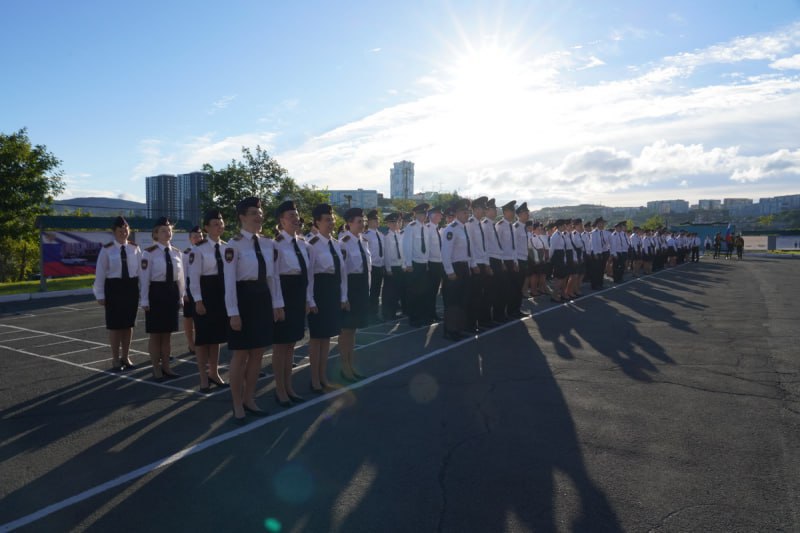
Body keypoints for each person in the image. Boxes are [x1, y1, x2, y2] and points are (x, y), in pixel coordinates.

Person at [224, 197, 285, 423]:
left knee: (258, 353)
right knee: (241, 354)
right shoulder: (233, 245)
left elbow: (273, 277)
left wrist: (277, 304)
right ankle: (237, 403)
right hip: (243, 299)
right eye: (253, 213)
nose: (258, 217)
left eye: (260, 213)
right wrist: (233, 312)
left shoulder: (269, 244)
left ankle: (250, 399)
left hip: (262, 300)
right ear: (242, 217)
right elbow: (229, 282)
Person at [272, 200, 311, 407]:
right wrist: (277, 305)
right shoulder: (276, 244)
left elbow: (307, 275)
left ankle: (289, 386)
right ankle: (279, 389)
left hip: (297, 295)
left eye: (297, 215)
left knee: (291, 345)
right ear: (281, 221)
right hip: (283, 296)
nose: (296, 219)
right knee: (281, 346)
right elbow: (275, 277)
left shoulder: (303, 244)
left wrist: (306, 299)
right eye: (291, 216)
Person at [306, 204, 347, 393]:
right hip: (319, 293)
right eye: (327, 220)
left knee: (326, 338)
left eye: (332, 219)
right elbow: (309, 276)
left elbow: (343, 272)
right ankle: (315, 379)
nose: (331, 223)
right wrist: (310, 300)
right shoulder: (312, 245)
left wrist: (343, 296)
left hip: (332, 292)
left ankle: (323, 377)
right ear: (317, 222)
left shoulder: (337, 244)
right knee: (316, 339)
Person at [189, 210, 230, 392]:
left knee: (216, 338)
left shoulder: (227, 247)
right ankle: (203, 378)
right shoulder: (199, 249)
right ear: (206, 228)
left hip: (221, 295)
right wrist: (198, 301)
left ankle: (214, 373)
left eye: (221, 222)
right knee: (203, 339)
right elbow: (194, 278)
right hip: (205, 294)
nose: (219, 225)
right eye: (215, 223)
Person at [139, 217, 185, 381]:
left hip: (171, 292)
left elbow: (180, 278)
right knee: (156, 334)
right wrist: (144, 300)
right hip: (156, 293)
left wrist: (181, 296)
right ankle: (156, 368)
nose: (168, 233)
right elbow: (144, 279)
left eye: (169, 230)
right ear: (156, 234)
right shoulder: (148, 253)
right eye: (163, 230)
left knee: (167, 334)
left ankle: (167, 366)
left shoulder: (177, 252)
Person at [93, 216, 140, 371]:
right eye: (120, 230)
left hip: (131, 288)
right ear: (114, 232)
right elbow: (100, 273)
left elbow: (141, 271)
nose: (123, 232)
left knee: (128, 325)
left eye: (126, 229)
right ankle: (115, 359)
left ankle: (126, 357)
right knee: (115, 326)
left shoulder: (135, 248)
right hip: (113, 288)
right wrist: (100, 294)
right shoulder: (107, 250)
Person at [338, 207, 371, 381]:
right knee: (346, 331)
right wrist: (344, 297)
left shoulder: (364, 241)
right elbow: (342, 273)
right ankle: (344, 366)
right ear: (349, 223)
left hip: (361, 288)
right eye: (359, 221)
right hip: (350, 288)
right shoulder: (343, 242)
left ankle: (351, 364)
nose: (362, 224)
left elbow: (369, 270)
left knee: (354, 330)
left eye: (363, 221)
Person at [441, 199, 474, 340]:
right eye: (464, 212)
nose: (467, 214)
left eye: (468, 212)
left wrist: (470, 266)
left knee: (462, 300)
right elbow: (445, 252)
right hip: (454, 268)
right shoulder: (451, 229)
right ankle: (450, 330)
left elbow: (468, 251)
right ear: (458, 213)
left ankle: (459, 328)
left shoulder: (464, 228)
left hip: (464, 267)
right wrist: (449, 271)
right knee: (452, 301)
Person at [402, 203, 430, 327]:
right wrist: (408, 263)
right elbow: (407, 246)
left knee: (422, 292)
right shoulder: (411, 227)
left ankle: (421, 316)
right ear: (416, 215)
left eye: (425, 213)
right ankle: (413, 318)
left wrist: (427, 262)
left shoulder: (426, 228)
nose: (424, 216)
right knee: (413, 292)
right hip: (414, 263)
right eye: (421, 214)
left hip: (423, 263)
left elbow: (427, 247)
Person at [483, 199, 507, 322]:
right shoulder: (485, 225)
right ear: (487, 211)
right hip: (491, 261)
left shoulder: (492, 224)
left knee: (499, 290)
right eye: (494, 209)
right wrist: (487, 265)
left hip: (497, 260)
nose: (496, 210)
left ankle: (499, 315)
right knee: (490, 291)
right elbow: (485, 247)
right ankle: (488, 318)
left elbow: (498, 246)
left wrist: (502, 261)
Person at [182, 226, 203, 355]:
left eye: (200, 236)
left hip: (203, 284)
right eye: (195, 236)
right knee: (189, 317)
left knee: (201, 317)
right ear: (190, 239)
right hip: (189, 286)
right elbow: (183, 275)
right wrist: (184, 292)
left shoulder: (206, 251)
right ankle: (191, 344)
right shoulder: (186, 254)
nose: (198, 238)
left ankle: (201, 342)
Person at [363, 209, 385, 324]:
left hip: (380, 266)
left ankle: (374, 313)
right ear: (369, 221)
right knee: (371, 292)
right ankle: (369, 315)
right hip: (372, 267)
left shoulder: (381, 234)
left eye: (378, 219)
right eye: (375, 219)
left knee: (376, 292)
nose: (377, 221)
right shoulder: (366, 235)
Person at [424, 205, 445, 323]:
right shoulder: (427, 228)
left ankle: (432, 313)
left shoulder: (438, 229)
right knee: (429, 291)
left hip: (438, 263)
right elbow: (426, 248)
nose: (441, 216)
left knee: (434, 291)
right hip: (431, 263)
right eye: (439, 214)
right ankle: (428, 314)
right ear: (432, 216)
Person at [382, 212, 404, 321]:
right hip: (392, 267)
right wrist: (388, 268)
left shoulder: (400, 235)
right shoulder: (386, 237)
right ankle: (388, 313)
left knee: (398, 291)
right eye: (392, 223)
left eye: (396, 222)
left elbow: (403, 251)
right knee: (389, 292)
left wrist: (404, 264)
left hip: (400, 266)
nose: (395, 224)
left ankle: (394, 312)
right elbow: (386, 254)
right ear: (388, 224)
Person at [548, 220, 568, 302]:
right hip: (557, 257)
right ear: (559, 226)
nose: (565, 227)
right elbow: (552, 248)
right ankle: (554, 296)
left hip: (561, 256)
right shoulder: (555, 235)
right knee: (559, 278)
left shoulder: (561, 235)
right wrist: (549, 258)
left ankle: (557, 294)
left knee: (560, 278)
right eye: (564, 225)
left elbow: (563, 248)